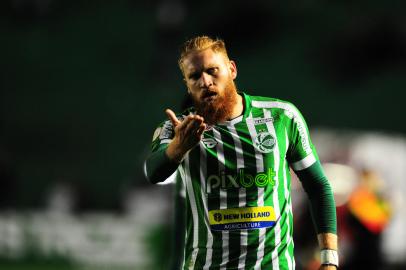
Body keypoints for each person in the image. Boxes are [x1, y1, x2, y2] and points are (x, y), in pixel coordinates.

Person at [144, 36, 338, 270]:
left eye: (212, 71)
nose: (205, 81)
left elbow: (318, 186)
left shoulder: (282, 117)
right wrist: (180, 146)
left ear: (232, 69)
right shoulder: (179, 129)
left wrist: (329, 261)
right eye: (195, 76)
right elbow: (153, 171)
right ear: (187, 84)